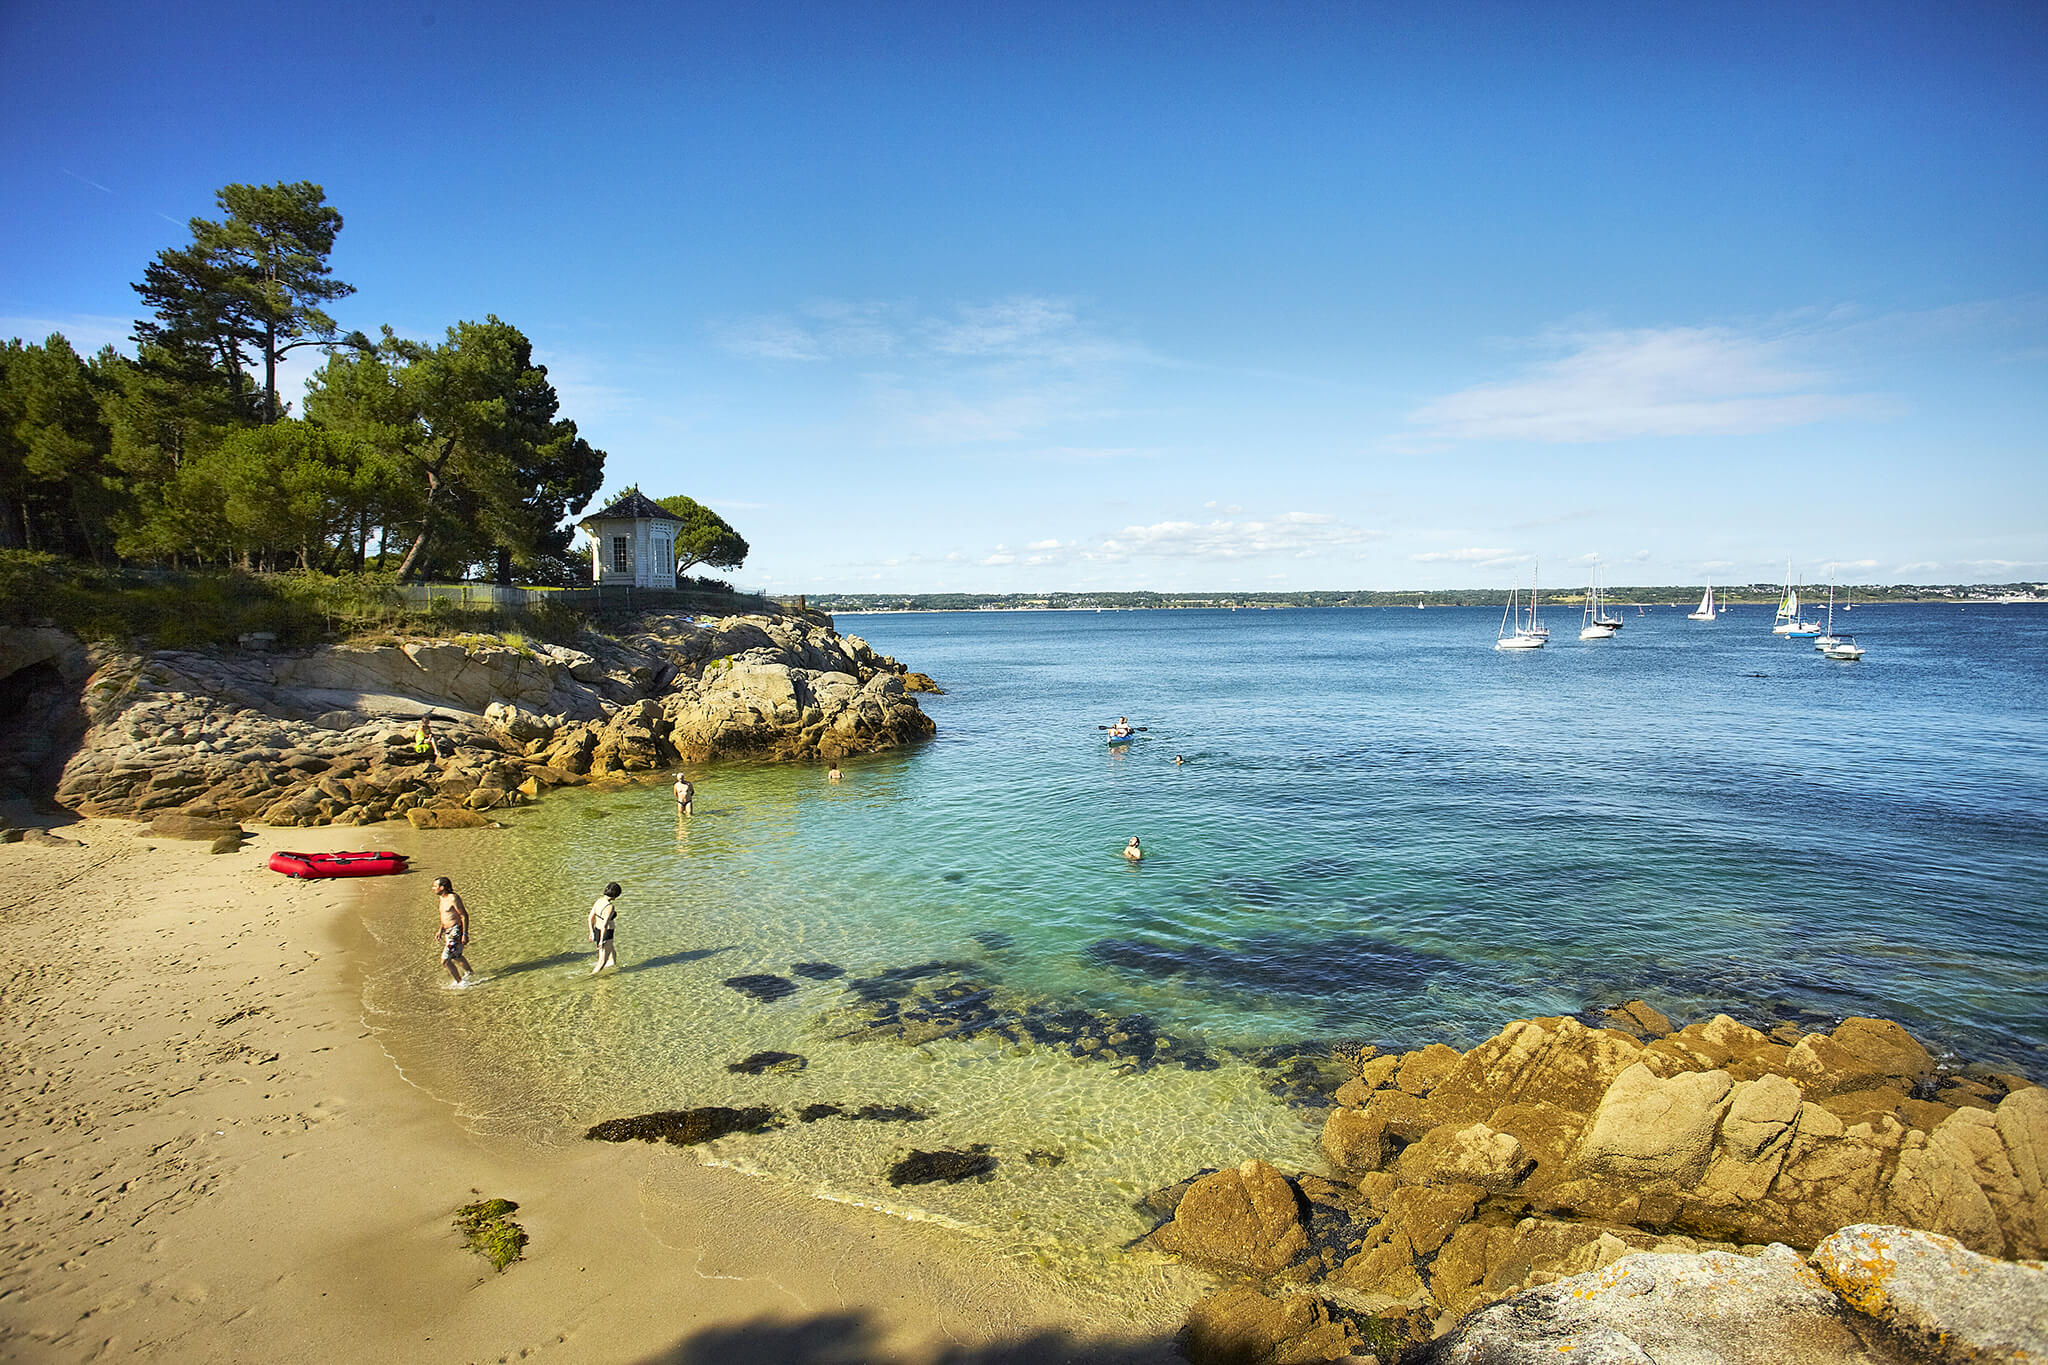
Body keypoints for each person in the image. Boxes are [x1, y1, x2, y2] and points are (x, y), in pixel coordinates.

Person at [433, 876, 472, 985]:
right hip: (447, 932)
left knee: (445, 960)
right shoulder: (441, 898)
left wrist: (465, 934)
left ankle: (460, 983)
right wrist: (440, 930)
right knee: (457, 956)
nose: (433, 888)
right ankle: (471, 975)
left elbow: (464, 916)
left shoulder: (453, 898)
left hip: (456, 931)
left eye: (435, 886)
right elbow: (445, 915)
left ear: (442, 887)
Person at [588, 882, 623, 974]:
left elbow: (590, 917)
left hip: (597, 930)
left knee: (612, 951)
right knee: (601, 962)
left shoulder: (599, 901)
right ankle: (590, 976)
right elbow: (605, 924)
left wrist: (591, 932)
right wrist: (601, 940)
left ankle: (614, 968)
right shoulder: (610, 907)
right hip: (606, 933)